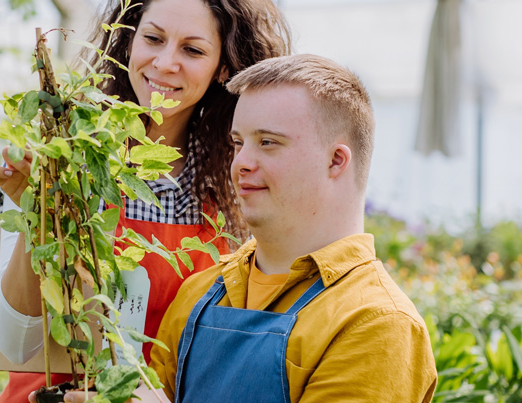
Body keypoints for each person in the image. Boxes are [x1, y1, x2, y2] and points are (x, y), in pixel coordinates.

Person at [0, 0, 291, 402]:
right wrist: (39, 212)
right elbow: (14, 344)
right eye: (153, 38)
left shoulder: (233, 186)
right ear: (127, 41)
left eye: (192, 50)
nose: (165, 63)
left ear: (223, 69)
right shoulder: (60, 152)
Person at [137, 54, 438, 402]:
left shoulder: (376, 322)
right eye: (238, 143)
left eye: (267, 142)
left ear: (335, 160)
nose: (240, 163)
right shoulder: (200, 291)